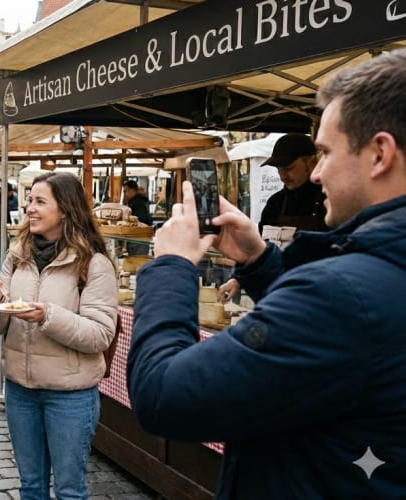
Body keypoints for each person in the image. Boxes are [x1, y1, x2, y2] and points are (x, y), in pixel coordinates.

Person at [127, 48, 406, 498]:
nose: (317, 174)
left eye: (325, 153)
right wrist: (260, 262)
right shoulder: (369, 284)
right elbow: (333, 349)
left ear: (379, 154)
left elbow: (163, 395)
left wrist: (170, 267)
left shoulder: (342, 294)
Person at [0, 172, 117, 499]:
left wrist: (47, 316)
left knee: (69, 491)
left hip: (68, 395)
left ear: (66, 210)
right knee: (31, 486)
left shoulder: (93, 264)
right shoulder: (18, 254)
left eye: (40, 202)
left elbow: (100, 335)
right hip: (19, 391)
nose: (30, 209)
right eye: (30, 200)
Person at [217, 133, 328, 302]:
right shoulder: (275, 204)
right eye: (279, 169)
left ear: (311, 162)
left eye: (289, 168)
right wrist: (238, 279)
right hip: (274, 294)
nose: (283, 175)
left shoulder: (328, 202)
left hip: (316, 297)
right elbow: (259, 249)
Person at [123, 179, 153, 256]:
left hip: (138, 239)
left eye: (126, 191)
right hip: (138, 238)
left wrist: (129, 221)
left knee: (138, 262)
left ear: (133, 190)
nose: (125, 194)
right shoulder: (137, 201)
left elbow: (142, 220)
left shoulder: (138, 203)